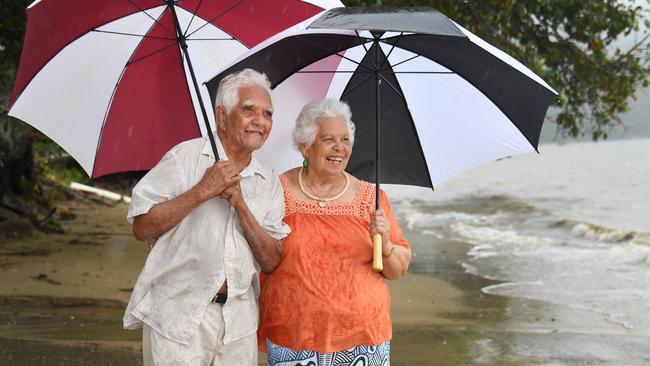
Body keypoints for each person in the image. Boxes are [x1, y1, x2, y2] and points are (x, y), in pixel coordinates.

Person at [123, 69, 290, 366]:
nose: (260, 122)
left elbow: (272, 259)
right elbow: (142, 226)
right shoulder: (184, 157)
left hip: (238, 323)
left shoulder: (269, 181)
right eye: (248, 110)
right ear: (222, 117)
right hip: (178, 314)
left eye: (267, 114)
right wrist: (202, 190)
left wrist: (241, 205)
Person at [258, 99, 412, 366]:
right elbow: (258, 254)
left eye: (345, 139)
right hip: (293, 337)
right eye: (328, 139)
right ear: (305, 147)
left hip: (363, 337)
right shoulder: (275, 191)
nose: (339, 148)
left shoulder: (372, 198)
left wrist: (386, 244)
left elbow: (397, 270)